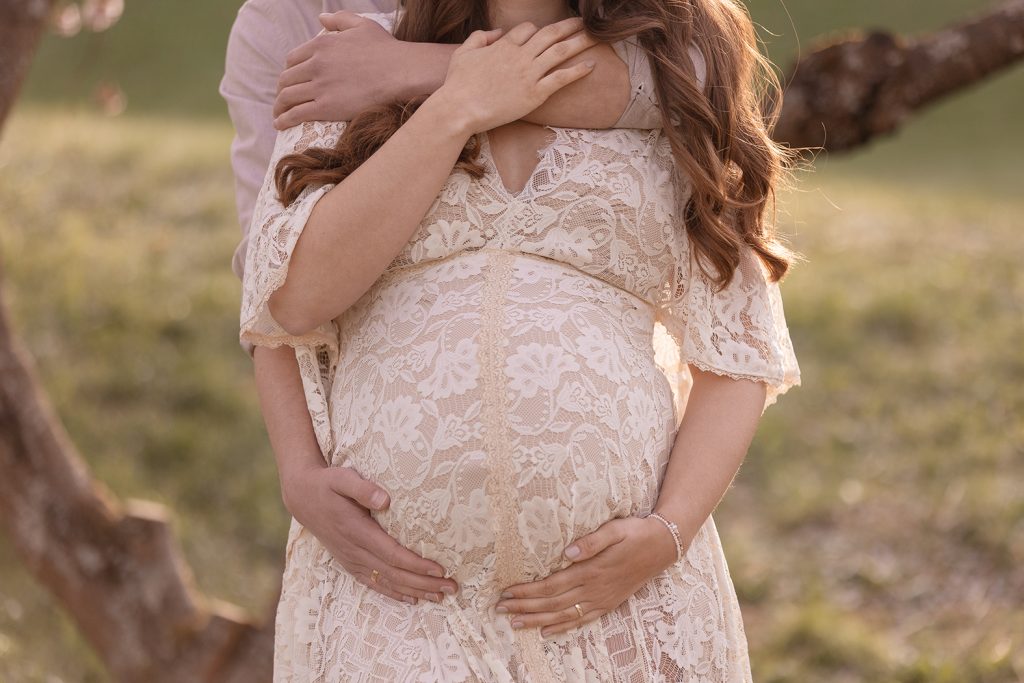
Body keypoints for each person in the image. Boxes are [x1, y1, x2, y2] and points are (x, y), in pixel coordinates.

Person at [238, 0, 801, 680]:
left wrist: (667, 533)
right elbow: (293, 298)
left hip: (618, 613)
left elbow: (736, 349)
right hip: (396, 617)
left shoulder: (672, 76)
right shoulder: (358, 64)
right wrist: (457, 105)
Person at [220, 0, 664, 615]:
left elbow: (677, 80)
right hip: (403, 568)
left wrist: (412, 68)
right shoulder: (282, 21)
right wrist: (297, 469)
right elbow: (268, 264)